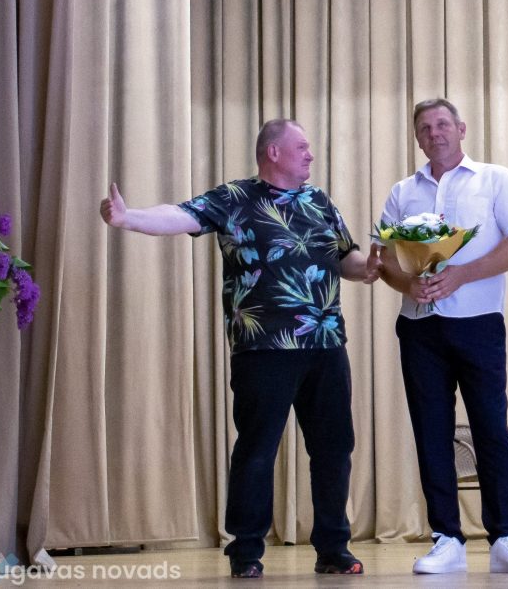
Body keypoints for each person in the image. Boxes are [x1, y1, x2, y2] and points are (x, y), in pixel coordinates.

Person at [99, 119, 375, 580]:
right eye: (301, 147)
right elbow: (180, 215)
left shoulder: (320, 201)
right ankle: (246, 550)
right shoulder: (235, 198)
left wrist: (370, 268)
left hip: (326, 343)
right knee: (256, 449)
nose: (310, 154)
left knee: (334, 449)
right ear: (273, 152)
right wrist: (129, 218)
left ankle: (334, 548)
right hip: (263, 347)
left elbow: (345, 257)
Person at [370, 99, 508, 575]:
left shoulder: (495, 179)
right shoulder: (403, 191)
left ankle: (506, 537)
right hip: (419, 326)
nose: (435, 133)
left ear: (461, 128)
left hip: (478, 322)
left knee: (491, 428)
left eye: (443, 124)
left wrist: (462, 274)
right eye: (425, 127)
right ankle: (446, 537)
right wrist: (407, 283)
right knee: (431, 432)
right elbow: (383, 257)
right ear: (417, 138)